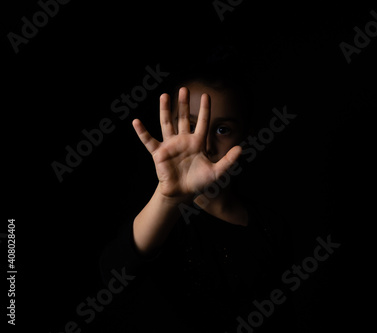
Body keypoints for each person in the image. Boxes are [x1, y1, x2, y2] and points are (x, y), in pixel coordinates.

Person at [99, 55, 300, 332]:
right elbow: (116, 273)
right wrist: (168, 197)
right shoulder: (161, 220)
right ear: (168, 125)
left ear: (246, 135)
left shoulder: (272, 228)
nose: (203, 143)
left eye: (222, 129)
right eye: (191, 126)